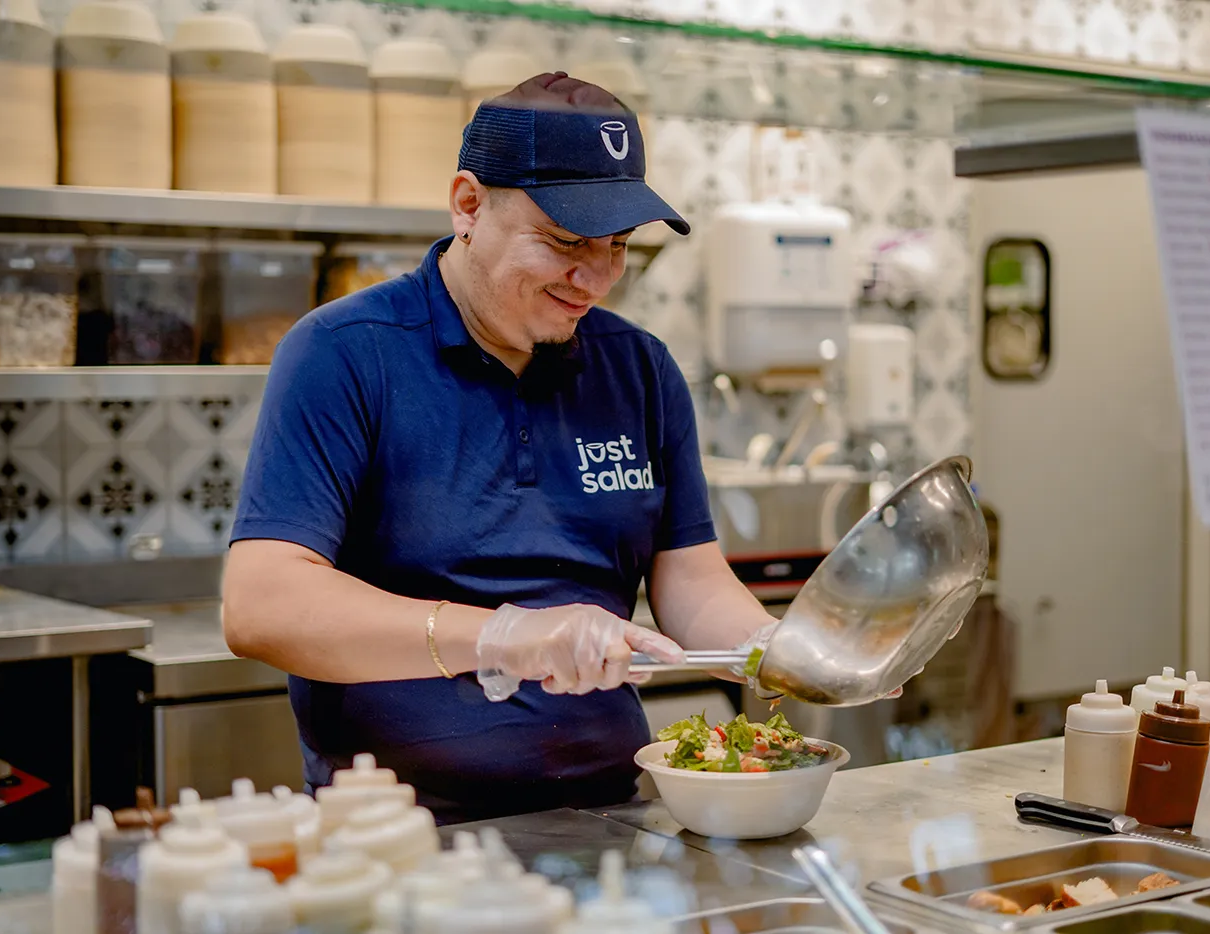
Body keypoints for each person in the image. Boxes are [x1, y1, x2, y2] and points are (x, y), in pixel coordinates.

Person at [223, 73, 787, 823]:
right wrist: (504, 636)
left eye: (618, 246)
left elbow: (691, 582)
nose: (595, 279)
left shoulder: (639, 369)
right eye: (564, 242)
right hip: (397, 834)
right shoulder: (344, 353)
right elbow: (263, 604)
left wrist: (780, 652)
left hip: (613, 820)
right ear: (467, 203)